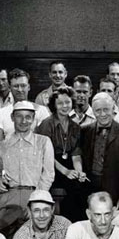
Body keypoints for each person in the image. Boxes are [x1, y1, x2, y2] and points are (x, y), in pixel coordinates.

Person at [0, 101, 55, 238]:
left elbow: (48, 174)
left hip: (34, 195)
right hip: (8, 198)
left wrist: (36, 201)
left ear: (33, 119)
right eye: (19, 116)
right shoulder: (2, 145)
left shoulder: (43, 142)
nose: (23, 121)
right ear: (12, 118)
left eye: (28, 117)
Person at [35, 86, 88, 221]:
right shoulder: (46, 124)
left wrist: (79, 172)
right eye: (60, 103)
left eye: (68, 102)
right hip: (49, 164)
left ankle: (77, 225)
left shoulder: (75, 126)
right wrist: (65, 171)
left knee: (82, 185)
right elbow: (45, 155)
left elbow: (76, 154)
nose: (65, 106)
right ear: (54, 105)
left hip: (68, 163)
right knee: (68, 189)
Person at [80, 93, 119, 211]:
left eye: (106, 109)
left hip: (115, 192)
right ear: (93, 111)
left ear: (113, 109)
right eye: (98, 110)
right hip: (88, 191)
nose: (102, 114)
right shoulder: (84, 131)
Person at [0, 68, 51, 142]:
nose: (20, 90)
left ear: (28, 87)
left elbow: (45, 142)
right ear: (10, 88)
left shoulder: (41, 111)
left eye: (23, 86)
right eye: (16, 86)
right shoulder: (2, 112)